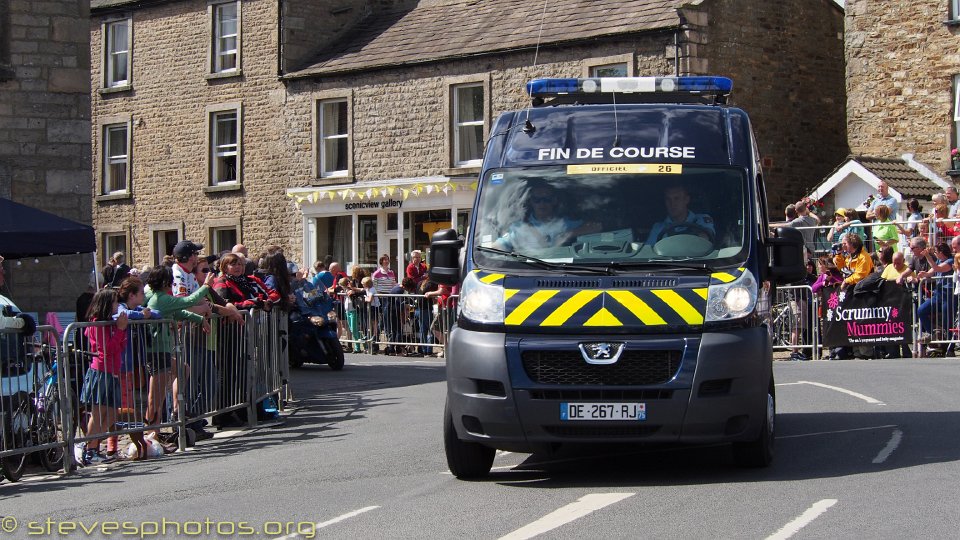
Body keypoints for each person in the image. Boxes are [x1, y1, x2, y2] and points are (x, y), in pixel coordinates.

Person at [143, 265, 214, 443]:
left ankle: (176, 408)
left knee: (183, 369)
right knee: (155, 397)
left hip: (163, 350)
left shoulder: (164, 299)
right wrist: (206, 286)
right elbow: (187, 302)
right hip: (157, 352)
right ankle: (151, 434)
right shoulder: (161, 298)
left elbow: (178, 312)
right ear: (167, 282)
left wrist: (200, 319)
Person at [103, 277, 154, 460]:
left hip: (131, 364)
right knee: (118, 407)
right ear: (132, 295)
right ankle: (112, 447)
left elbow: (155, 313)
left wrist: (149, 313)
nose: (144, 296)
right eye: (141, 293)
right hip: (120, 365)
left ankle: (131, 445)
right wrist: (142, 315)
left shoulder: (135, 308)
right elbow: (120, 316)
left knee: (127, 408)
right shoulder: (124, 309)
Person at [78, 288, 127, 465]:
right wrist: (120, 331)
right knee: (98, 414)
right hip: (101, 371)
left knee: (113, 414)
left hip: (112, 370)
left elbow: (120, 347)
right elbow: (106, 350)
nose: (117, 306)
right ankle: (90, 449)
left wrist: (121, 330)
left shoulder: (109, 323)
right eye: (114, 302)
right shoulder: (97, 323)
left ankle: (92, 444)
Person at [494, 184, 601, 251]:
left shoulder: (567, 223)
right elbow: (500, 245)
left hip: (568, 269)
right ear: (531, 202)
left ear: (554, 201)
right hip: (527, 270)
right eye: (537, 199)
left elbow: (597, 228)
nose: (542, 203)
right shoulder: (519, 227)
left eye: (547, 199)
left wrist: (569, 234)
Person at [916, 242, 955, 352]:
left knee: (948, 322)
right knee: (921, 310)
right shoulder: (938, 260)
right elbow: (931, 272)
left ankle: (950, 347)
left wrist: (928, 256)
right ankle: (932, 333)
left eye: (937, 252)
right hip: (938, 294)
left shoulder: (951, 261)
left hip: (948, 295)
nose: (936, 254)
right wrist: (924, 274)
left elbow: (938, 269)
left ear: (942, 253)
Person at [645, 184, 714, 246]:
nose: (672, 204)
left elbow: (705, 241)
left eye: (676, 198)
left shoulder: (701, 220)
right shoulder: (658, 228)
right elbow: (648, 252)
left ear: (686, 200)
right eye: (668, 199)